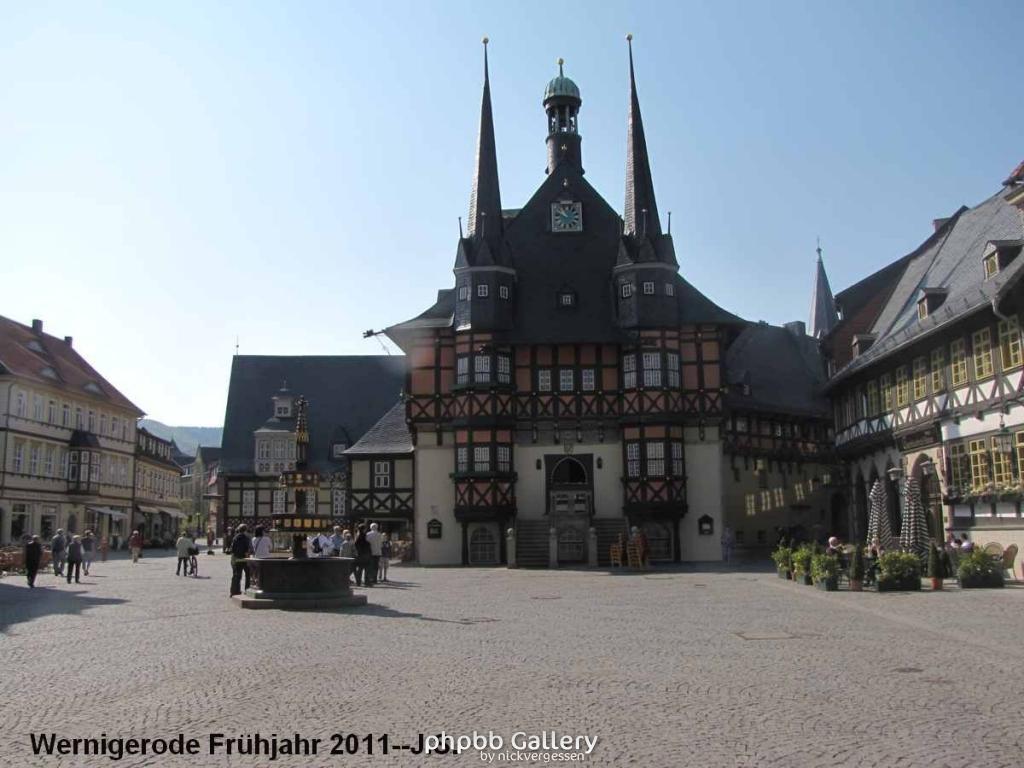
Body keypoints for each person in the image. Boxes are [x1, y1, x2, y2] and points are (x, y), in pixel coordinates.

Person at [229, 524, 252, 596]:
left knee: (237, 575)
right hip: (244, 559)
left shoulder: (235, 537)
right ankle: (247, 590)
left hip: (237, 558)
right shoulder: (246, 538)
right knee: (248, 575)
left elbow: (232, 549)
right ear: (245, 530)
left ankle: (234, 591)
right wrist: (248, 560)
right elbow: (247, 550)